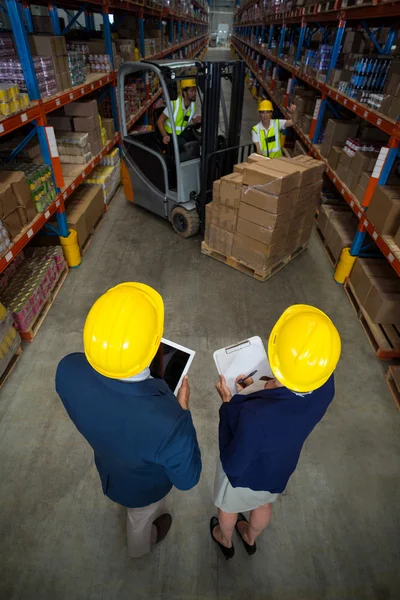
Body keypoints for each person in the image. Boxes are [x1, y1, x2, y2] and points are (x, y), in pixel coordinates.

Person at [56, 282, 201, 558]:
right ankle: (140, 549)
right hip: (142, 488)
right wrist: (182, 409)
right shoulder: (170, 425)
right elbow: (188, 479)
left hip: (109, 468)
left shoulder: (67, 370)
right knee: (139, 519)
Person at [210, 304, 341, 559]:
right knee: (263, 504)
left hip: (247, 474)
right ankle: (250, 536)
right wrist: (264, 387)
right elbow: (290, 402)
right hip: (278, 470)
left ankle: (224, 538)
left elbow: (233, 464)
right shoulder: (326, 385)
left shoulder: (254, 417)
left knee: (228, 507)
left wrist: (228, 404)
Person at [157, 78, 201, 152]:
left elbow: (188, 120)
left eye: (195, 90)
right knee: (184, 146)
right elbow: (160, 121)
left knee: (198, 139)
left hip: (182, 132)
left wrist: (196, 121)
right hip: (170, 133)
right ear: (184, 93)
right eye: (191, 91)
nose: (194, 93)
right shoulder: (174, 104)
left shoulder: (193, 105)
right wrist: (164, 136)